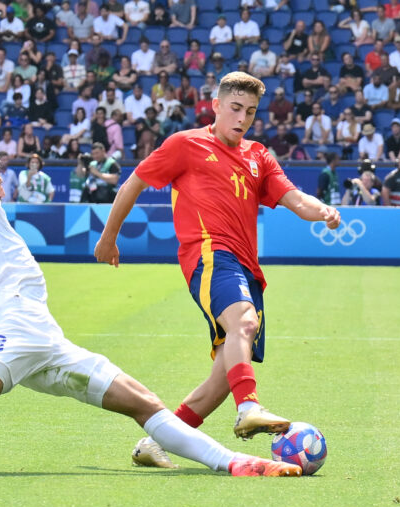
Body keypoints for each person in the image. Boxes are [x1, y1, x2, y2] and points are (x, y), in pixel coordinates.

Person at [0, 31, 302, 479]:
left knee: (143, 403)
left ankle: (235, 463)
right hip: (14, 326)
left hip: (45, 335)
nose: (0, 181)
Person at [94, 71, 341, 467]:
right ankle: (249, 409)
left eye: (250, 112)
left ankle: (158, 442)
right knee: (243, 322)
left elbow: (294, 198)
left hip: (246, 268)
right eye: (235, 108)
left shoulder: (258, 155)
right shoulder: (185, 144)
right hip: (209, 256)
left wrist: (322, 211)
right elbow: (133, 183)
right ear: (216, 105)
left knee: (223, 376)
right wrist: (109, 238)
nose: (242, 118)